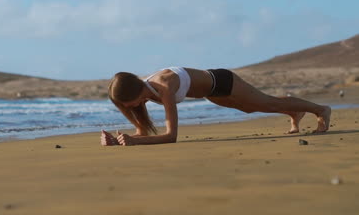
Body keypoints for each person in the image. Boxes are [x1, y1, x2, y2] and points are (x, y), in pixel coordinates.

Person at [101, 67, 331, 146]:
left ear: (133, 93)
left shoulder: (163, 87)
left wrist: (133, 142)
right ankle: (293, 112)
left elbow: (171, 137)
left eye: (124, 104)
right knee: (252, 108)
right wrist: (119, 140)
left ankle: (320, 109)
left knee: (267, 102)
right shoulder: (144, 94)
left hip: (221, 81)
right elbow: (142, 133)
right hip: (211, 93)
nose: (126, 108)